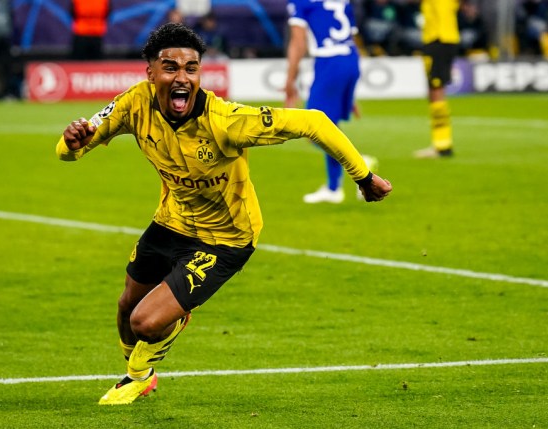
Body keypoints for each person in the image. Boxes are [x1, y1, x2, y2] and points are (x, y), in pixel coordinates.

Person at [56, 23, 391, 406]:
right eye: (170, 68)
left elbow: (314, 122)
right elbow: (69, 151)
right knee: (125, 309)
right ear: (150, 73)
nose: (182, 77)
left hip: (226, 238)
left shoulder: (226, 121)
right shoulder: (134, 104)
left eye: (192, 68)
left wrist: (363, 178)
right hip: (171, 222)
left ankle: (142, 365)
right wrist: (71, 144)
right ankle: (143, 373)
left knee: (145, 322)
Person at [284, 0, 374, 204]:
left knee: (313, 132)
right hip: (351, 60)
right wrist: (348, 91)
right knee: (329, 127)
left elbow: (298, 42)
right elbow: (351, 36)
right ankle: (334, 189)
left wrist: (290, 80)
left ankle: (358, 163)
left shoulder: (301, 2)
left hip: (329, 61)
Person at [413, 0, 459, 159]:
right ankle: (441, 143)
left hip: (439, 39)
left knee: (436, 91)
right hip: (445, 39)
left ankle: (442, 145)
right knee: (435, 91)